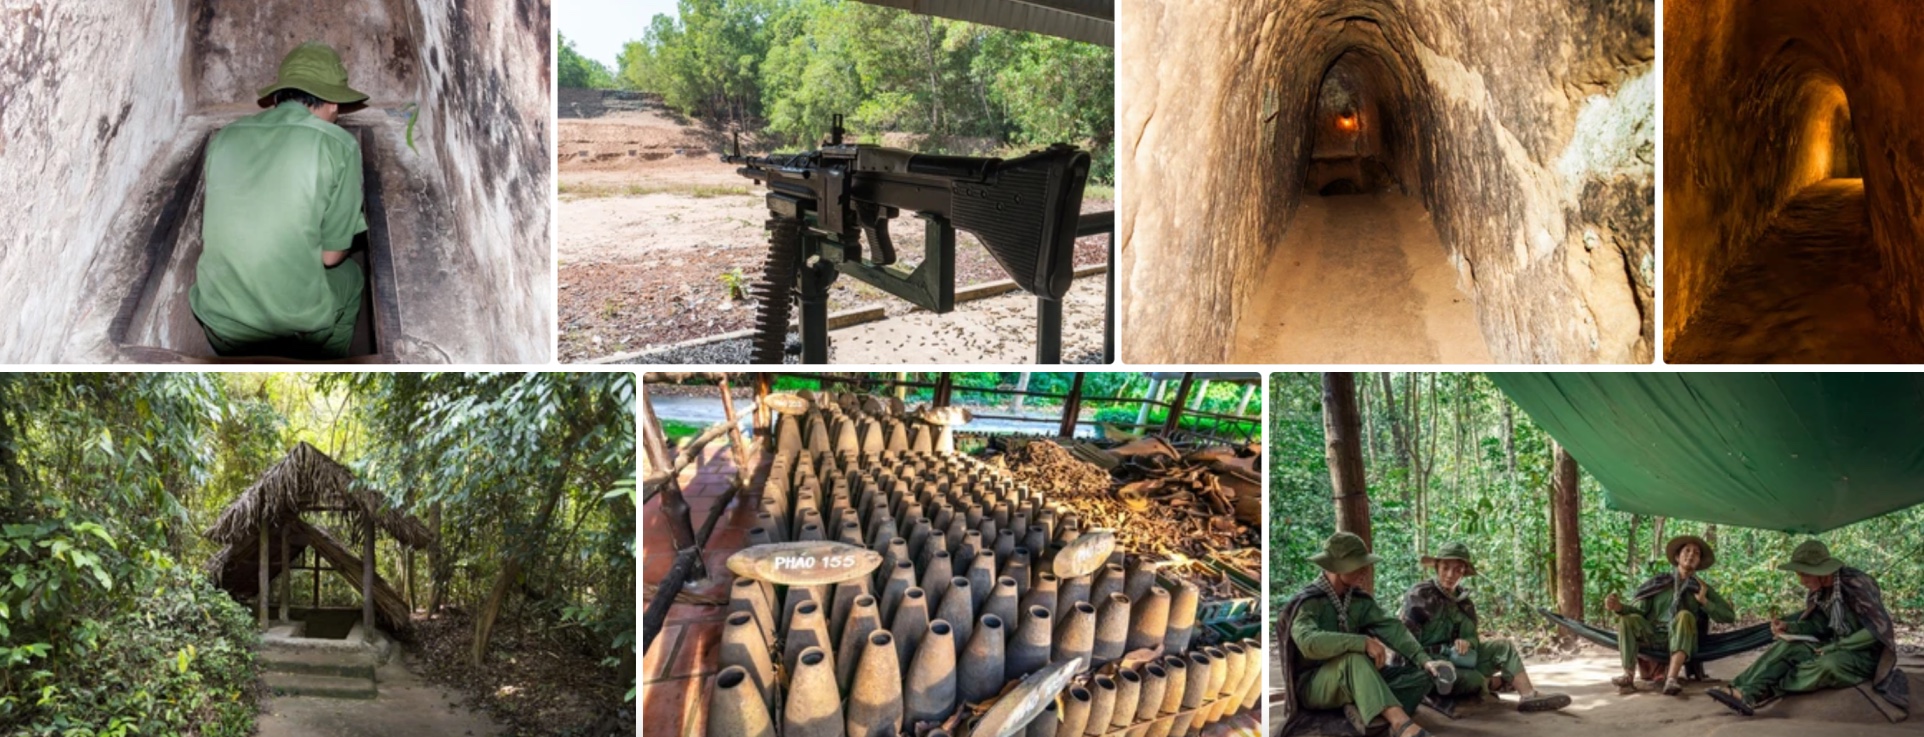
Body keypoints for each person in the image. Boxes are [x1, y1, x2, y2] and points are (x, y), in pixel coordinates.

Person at [190, 42, 369, 359]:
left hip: (219, 324)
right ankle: (329, 358)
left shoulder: (225, 137)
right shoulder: (339, 145)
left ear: (279, 97)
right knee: (352, 275)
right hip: (292, 328)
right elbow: (330, 257)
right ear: (331, 103)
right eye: (338, 107)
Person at [1707, 540, 1910, 719]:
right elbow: (1819, 626)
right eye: (1798, 574)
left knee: (1828, 665)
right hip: (1832, 644)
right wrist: (1790, 626)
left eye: (1805, 574)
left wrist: (1838, 646)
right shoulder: (1818, 593)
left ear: (1823, 571)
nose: (1801, 580)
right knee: (1787, 648)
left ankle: (1765, 690)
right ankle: (1740, 691)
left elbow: (1878, 630)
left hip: (1864, 654)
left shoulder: (1857, 584)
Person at [1278, 532, 1449, 737]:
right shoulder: (1309, 603)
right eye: (1358, 565)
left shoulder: (1357, 600)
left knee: (1424, 675)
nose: (1364, 571)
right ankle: (1401, 725)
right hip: (1316, 685)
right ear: (1337, 567)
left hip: (1360, 677)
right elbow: (1308, 643)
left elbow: (1392, 628)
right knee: (1354, 659)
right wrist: (1361, 642)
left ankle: (1364, 711)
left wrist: (1424, 660)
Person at [1400, 542, 1571, 713]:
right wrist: (1424, 664)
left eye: (1458, 570)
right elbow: (1404, 640)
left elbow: (1472, 636)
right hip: (1428, 664)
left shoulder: (1464, 602)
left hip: (1457, 658)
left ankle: (1529, 695)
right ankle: (1494, 683)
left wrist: (1468, 642)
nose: (1450, 575)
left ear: (1463, 573)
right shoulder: (1420, 594)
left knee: (1503, 647)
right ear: (1437, 567)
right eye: (1445, 568)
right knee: (1473, 680)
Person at [1604, 534, 1735, 695]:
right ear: (1677, 557)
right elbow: (1639, 612)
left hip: (1684, 639)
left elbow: (1729, 616)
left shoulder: (1702, 588)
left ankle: (1671, 680)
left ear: (1699, 562)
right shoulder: (1659, 583)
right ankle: (1628, 677)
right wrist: (1619, 607)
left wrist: (1705, 602)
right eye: (1687, 551)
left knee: (1685, 615)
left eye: (1696, 553)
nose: (1691, 555)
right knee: (1627, 620)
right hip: (1655, 636)